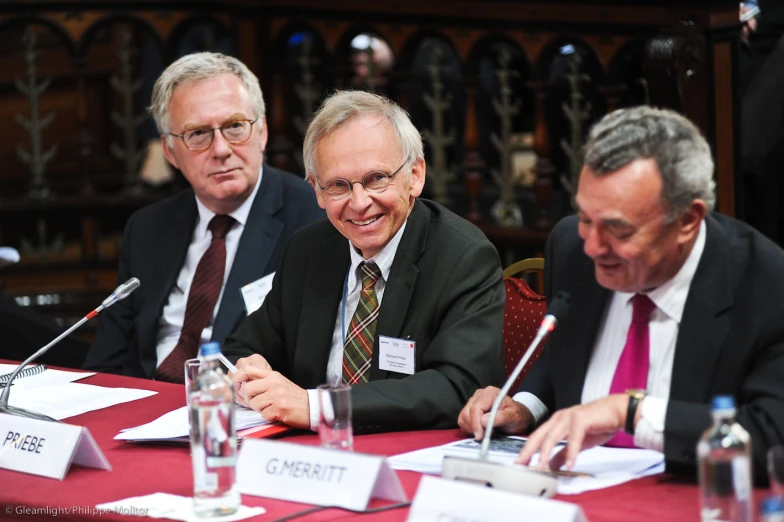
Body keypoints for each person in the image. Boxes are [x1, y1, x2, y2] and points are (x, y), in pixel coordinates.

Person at [458, 106, 784, 483]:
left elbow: (770, 438)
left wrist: (631, 411)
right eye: (585, 218)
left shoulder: (765, 287)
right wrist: (525, 407)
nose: (594, 246)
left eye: (619, 230)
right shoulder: (571, 247)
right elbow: (567, 350)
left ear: (687, 221)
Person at [223, 90, 505, 433]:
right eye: (338, 186)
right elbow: (242, 346)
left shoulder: (463, 256)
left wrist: (317, 407)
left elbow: (458, 387)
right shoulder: (309, 250)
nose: (359, 203)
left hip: (405, 455)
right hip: (306, 457)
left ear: (415, 175)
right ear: (316, 189)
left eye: (376, 179)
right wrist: (248, 372)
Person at [83, 52, 324, 381]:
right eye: (198, 134)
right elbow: (105, 364)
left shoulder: (313, 216)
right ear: (170, 151)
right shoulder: (147, 228)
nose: (221, 149)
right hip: (147, 408)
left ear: (263, 132)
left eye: (235, 126)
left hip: (240, 411)